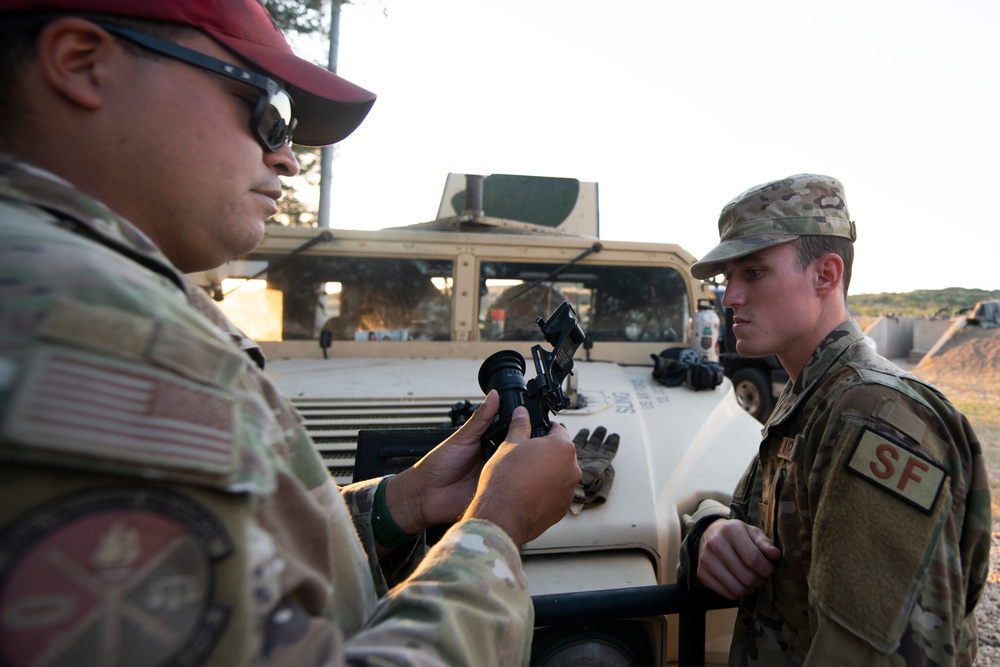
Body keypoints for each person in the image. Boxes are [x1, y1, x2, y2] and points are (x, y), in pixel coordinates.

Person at [0, 2, 582, 666]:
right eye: (269, 111)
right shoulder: (96, 329)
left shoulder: (68, 284)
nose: (287, 160)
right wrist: (495, 528)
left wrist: (404, 502)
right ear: (83, 64)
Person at [678, 173, 992, 665]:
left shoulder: (872, 417)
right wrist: (709, 532)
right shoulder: (815, 396)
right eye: (727, 278)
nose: (729, 297)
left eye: (753, 272)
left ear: (825, 275)